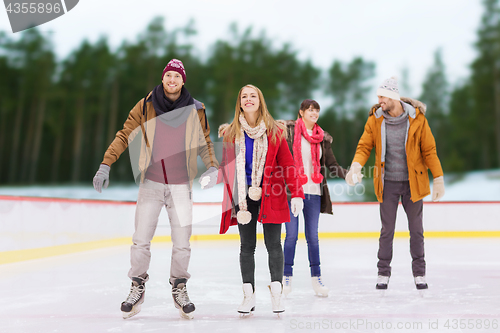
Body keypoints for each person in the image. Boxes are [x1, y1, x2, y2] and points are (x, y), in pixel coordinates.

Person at [92, 59, 219, 319]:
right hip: (151, 181)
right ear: (163, 78)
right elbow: (125, 134)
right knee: (140, 240)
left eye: (177, 77)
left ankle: (179, 287)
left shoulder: (196, 109)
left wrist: (212, 166)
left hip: (181, 184)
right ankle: (137, 286)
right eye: (168, 76)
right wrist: (106, 163)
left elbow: (204, 141)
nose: (172, 81)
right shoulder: (146, 105)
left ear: (183, 81)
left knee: (182, 243)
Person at [345, 76, 445, 290]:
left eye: (382, 96)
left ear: (393, 96)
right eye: (378, 96)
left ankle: (420, 274)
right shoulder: (375, 119)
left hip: (413, 183)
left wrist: (438, 178)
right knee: (386, 230)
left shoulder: (417, 119)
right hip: (387, 183)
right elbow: (364, 146)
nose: (379, 100)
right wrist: (356, 165)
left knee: (416, 229)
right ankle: (383, 273)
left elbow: (429, 150)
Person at [217, 84, 304, 315]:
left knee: (274, 245)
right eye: (244, 96)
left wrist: (296, 193)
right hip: (243, 198)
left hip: (271, 195)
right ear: (240, 102)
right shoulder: (231, 133)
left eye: (252, 96)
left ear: (260, 101)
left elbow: (287, 164)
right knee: (247, 247)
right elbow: (225, 168)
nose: (248, 99)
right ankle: (249, 296)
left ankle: (277, 296)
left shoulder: (275, 131)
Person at [282, 99, 347, 297]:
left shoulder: (322, 138)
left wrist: (349, 174)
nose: (314, 112)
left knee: (313, 238)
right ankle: (286, 278)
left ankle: (317, 280)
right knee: (291, 236)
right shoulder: (289, 132)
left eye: (317, 110)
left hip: (314, 193)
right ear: (301, 112)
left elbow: (332, 164)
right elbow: (282, 161)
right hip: (292, 193)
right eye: (310, 110)